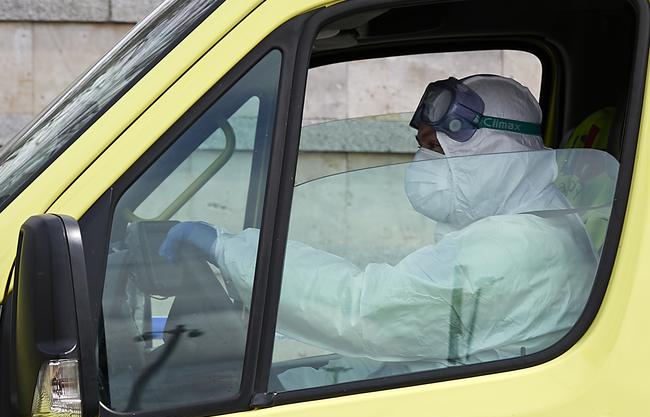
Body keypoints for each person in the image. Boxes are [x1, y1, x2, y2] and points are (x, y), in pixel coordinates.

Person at [159, 74, 597, 388]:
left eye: (437, 148)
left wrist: (226, 248)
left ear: (499, 148)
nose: (425, 165)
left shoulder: (518, 247)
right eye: (421, 147)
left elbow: (363, 312)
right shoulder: (539, 227)